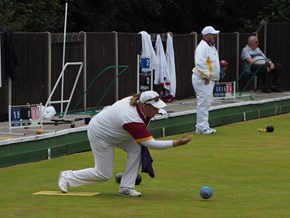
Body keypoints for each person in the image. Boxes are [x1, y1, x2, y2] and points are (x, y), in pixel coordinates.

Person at [58, 91, 193, 197]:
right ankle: (67, 177)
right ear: (145, 106)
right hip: (101, 134)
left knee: (137, 149)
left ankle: (126, 187)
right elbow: (151, 144)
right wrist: (176, 143)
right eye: (155, 109)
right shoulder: (131, 118)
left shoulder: (141, 103)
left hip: (119, 132)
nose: (157, 112)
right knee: (103, 174)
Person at [192, 25, 220, 135]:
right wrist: (207, 75)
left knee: (207, 102)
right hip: (202, 79)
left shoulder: (211, 47)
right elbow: (199, 63)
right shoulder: (202, 47)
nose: (215, 36)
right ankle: (201, 127)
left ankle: (204, 125)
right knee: (203, 102)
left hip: (208, 79)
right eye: (213, 34)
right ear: (207, 35)